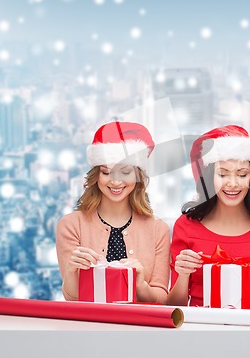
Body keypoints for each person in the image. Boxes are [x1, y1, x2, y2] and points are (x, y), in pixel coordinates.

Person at [168, 125, 250, 307]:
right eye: (223, 174)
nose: (233, 183)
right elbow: (173, 307)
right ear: (210, 177)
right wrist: (183, 274)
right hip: (200, 327)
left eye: (242, 174)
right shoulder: (186, 226)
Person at [56, 121, 170, 303]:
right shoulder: (71, 225)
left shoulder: (158, 230)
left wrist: (140, 284)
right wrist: (71, 271)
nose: (116, 182)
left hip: (138, 328)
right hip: (89, 326)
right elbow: (72, 297)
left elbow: (161, 297)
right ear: (96, 176)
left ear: (137, 176)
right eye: (106, 172)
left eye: (125, 172)